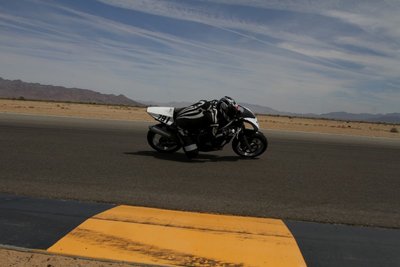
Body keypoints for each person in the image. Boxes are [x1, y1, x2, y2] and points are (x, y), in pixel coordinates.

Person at [174, 96, 240, 158]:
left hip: (186, 113)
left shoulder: (215, 103)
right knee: (193, 153)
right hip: (181, 124)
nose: (232, 113)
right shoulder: (213, 118)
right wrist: (226, 132)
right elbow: (212, 136)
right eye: (231, 111)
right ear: (224, 108)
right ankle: (185, 140)